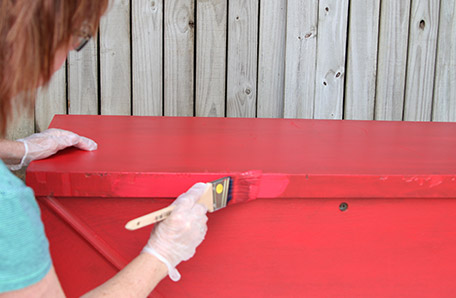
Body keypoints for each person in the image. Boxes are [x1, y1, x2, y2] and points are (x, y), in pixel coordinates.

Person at [0, 1, 209, 296]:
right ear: (28, 34)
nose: (64, 59)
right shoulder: (6, 206)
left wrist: (16, 150)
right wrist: (160, 256)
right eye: (76, 36)